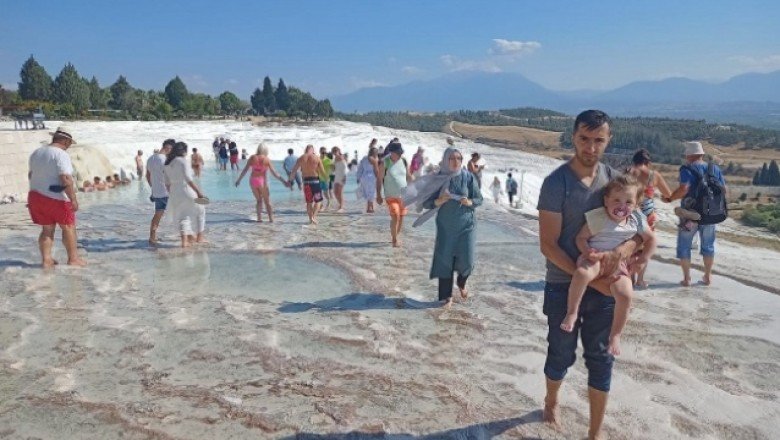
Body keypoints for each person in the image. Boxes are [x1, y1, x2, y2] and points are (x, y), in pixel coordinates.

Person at [537, 110, 641, 439]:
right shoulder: (556, 183)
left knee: (600, 358)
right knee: (561, 353)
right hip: (562, 283)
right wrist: (590, 278)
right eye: (585, 138)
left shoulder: (613, 180)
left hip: (605, 287)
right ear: (573, 138)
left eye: (599, 140)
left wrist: (624, 251)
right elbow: (549, 246)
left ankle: (594, 434)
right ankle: (551, 401)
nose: (591, 147)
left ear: (608, 141)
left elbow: (639, 230)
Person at [560, 174, 656, 356]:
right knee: (581, 274)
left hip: (619, 265)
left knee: (626, 295)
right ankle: (572, 312)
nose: (622, 206)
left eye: (628, 202)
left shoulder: (635, 219)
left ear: (636, 205)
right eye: (617, 200)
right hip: (595, 258)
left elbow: (651, 240)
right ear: (606, 201)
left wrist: (643, 259)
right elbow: (580, 237)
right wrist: (587, 250)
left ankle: (615, 335)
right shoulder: (599, 217)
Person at [405, 148, 482, 307]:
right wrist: (439, 201)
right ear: (446, 160)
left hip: (467, 224)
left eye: (459, 158)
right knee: (445, 260)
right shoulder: (438, 179)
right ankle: (446, 297)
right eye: (452, 158)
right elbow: (427, 203)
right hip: (446, 226)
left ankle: (461, 282)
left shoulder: (468, 178)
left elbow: (479, 199)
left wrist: (470, 202)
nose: (456, 162)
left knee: (467, 260)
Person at [663, 141, 727, 287]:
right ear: (702, 154)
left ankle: (686, 279)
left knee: (684, 245)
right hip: (710, 214)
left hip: (689, 214)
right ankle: (707, 277)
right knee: (708, 246)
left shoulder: (686, 169)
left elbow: (684, 189)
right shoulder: (714, 168)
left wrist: (670, 198)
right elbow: (724, 190)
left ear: (689, 155)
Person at [27, 126, 87, 268]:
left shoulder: (37, 152)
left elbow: (31, 175)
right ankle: (73, 259)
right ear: (66, 141)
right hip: (56, 197)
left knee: (47, 229)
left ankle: (46, 260)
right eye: (70, 143)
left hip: (35, 196)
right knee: (68, 227)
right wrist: (73, 199)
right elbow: (65, 178)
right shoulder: (60, 154)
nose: (69, 146)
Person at [626, 148, 673, 288]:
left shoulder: (628, 171)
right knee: (646, 246)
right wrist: (661, 197)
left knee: (631, 244)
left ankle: (629, 277)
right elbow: (668, 195)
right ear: (648, 162)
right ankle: (640, 279)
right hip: (648, 215)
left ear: (634, 160)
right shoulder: (654, 175)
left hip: (631, 212)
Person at [164, 142, 208, 247]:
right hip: (186, 190)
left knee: (183, 216)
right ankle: (200, 238)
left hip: (174, 192)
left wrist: (172, 194)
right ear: (184, 151)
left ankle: (184, 242)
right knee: (201, 210)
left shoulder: (167, 163)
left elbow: (166, 183)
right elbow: (188, 178)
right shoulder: (183, 161)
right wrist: (198, 192)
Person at [235, 143, 288, 222]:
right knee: (267, 201)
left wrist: (238, 180)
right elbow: (274, 173)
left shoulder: (252, 157)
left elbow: (245, 170)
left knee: (259, 200)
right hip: (262, 181)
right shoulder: (266, 159)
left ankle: (259, 219)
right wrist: (283, 181)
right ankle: (271, 219)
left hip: (253, 181)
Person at [376, 142, 412, 247]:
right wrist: (378, 194)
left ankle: (395, 235)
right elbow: (379, 179)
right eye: (397, 152)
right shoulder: (385, 163)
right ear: (391, 152)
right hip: (390, 196)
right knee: (395, 215)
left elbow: (409, 176)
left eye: (400, 152)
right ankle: (394, 240)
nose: (399, 154)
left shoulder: (404, 161)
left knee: (401, 217)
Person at [287, 144, 326, 224]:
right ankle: (314, 217)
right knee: (318, 201)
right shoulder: (317, 158)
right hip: (315, 182)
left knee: (309, 202)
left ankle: (310, 219)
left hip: (306, 183)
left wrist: (290, 180)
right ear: (312, 150)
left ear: (306, 149)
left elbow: (294, 171)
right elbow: (323, 172)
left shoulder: (301, 158)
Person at [146, 139, 174, 245]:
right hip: (167, 192)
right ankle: (187, 239)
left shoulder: (150, 159)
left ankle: (152, 237)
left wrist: (153, 188)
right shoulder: (165, 160)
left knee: (158, 214)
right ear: (168, 148)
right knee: (181, 213)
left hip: (157, 192)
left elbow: (147, 176)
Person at [356, 147, 379, 213]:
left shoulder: (364, 158)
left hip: (364, 177)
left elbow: (360, 168)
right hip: (371, 177)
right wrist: (378, 178)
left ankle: (371, 207)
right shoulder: (375, 159)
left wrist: (358, 177)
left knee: (368, 192)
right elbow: (376, 170)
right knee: (371, 193)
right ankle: (369, 208)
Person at [332, 146, 348, 212]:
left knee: (340, 192)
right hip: (336, 176)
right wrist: (332, 167)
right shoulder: (335, 158)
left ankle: (341, 207)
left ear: (338, 151)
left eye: (336, 151)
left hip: (342, 176)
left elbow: (345, 168)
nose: (335, 153)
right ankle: (340, 204)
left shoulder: (342, 157)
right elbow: (334, 169)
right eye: (333, 151)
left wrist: (344, 177)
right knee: (335, 192)